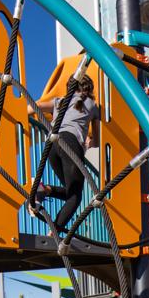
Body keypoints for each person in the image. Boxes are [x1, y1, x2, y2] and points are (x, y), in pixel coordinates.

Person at [35, 71, 97, 234]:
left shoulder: (60, 102)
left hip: (52, 145)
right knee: (75, 198)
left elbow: (36, 106)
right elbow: (96, 141)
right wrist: (89, 143)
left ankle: (45, 189)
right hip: (70, 143)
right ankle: (54, 232)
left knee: (70, 192)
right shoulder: (92, 104)